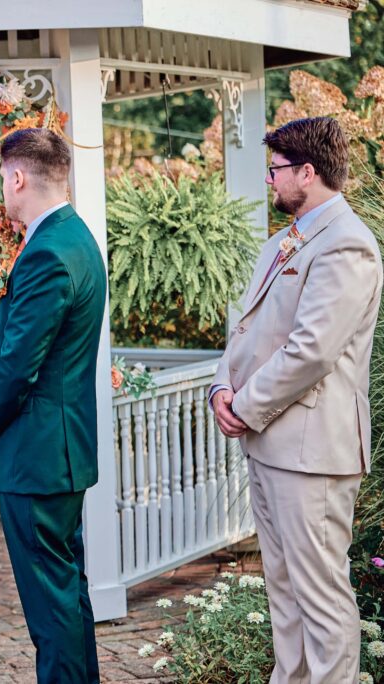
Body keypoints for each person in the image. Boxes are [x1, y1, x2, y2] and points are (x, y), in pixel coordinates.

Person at [211, 116, 383, 684]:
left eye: (277, 170)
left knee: (320, 596)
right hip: (269, 444)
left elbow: (312, 351)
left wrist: (244, 405)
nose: (271, 181)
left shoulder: (347, 245)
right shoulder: (283, 242)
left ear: (307, 172)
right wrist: (220, 388)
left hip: (313, 451)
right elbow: (247, 330)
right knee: (284, 593)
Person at [0, 128, 105, 683]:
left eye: (2, 180)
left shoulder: (47, 252)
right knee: (66, 594)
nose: (4, 190)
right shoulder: (75, 237)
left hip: (40, 454)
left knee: (50, 607)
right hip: (60, 451)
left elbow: (19, 364)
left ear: (17, 177)